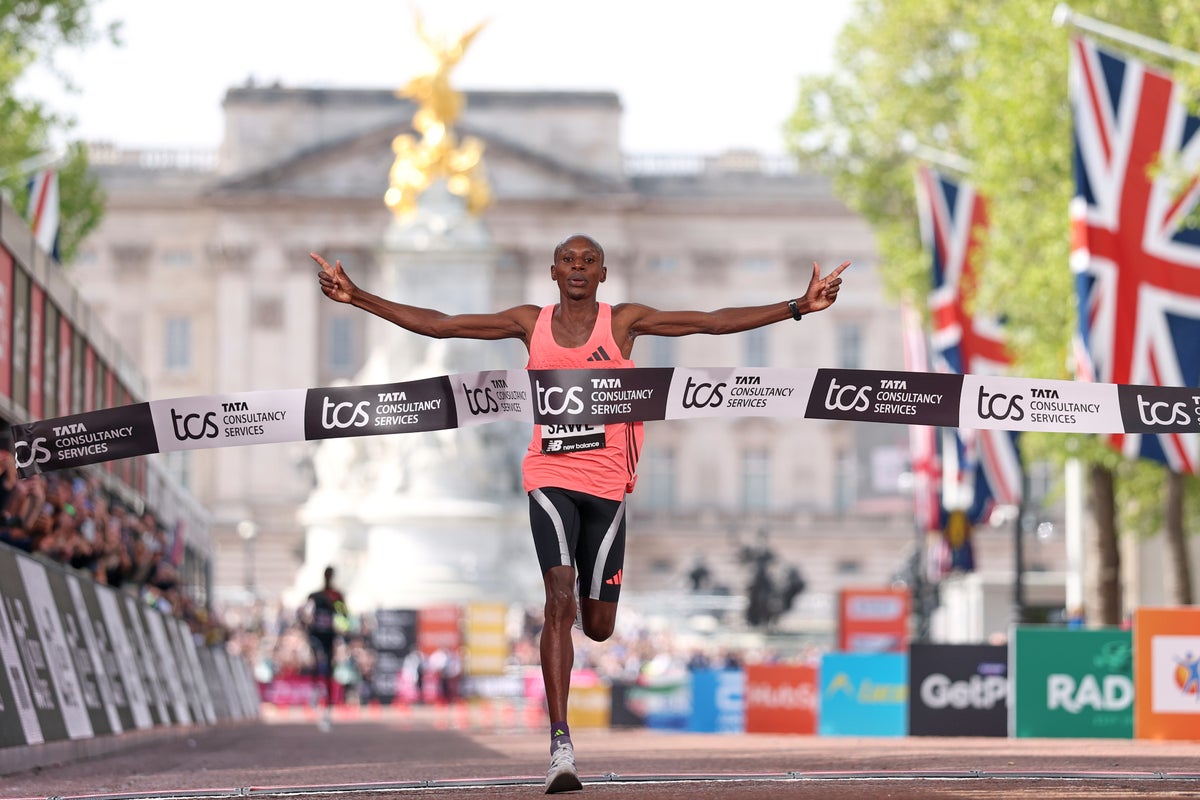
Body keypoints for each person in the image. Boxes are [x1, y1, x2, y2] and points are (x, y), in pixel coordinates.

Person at [312, 234, 847, 792]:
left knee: (598, 624)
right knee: (558, 597)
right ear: (552, 271)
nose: (577, 268)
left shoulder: (623, 324)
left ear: (603, 273)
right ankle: (560, 743)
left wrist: (796, 307)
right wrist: (359, 297)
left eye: (588, 261)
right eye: (568, 260)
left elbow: (709, 321)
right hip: (548, 475)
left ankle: (582, 655)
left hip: (609, 485)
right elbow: (443, 324)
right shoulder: (529, 322)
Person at [302, 565, 348, 732]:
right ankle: (315, 690)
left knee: (328, 668)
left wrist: (340, 616)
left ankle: (327, 706)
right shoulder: (314, 595)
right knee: (315, 661)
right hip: (315, 634)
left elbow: (345, 614)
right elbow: (304, 613)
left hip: (329, 635)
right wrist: (306, 623)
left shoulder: (337, 596)